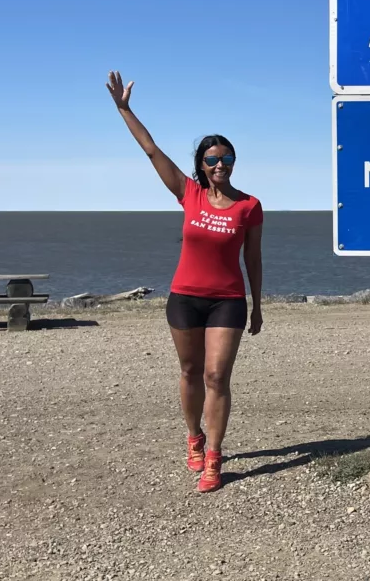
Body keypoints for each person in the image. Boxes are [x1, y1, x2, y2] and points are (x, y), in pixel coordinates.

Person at [106, 71, 263, 493]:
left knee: (217, 376)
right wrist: (124, 109)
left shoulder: (249, 206)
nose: (219, 166)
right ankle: (193, 435)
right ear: (201, 165)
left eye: (226, 160)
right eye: (212, 160)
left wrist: (258, 305)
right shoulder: (188, 193)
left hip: (228, 300)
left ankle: (214, 456)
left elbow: (254, 257)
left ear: (234, 163)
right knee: (191, 371)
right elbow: (150, 149)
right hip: (184, 298)